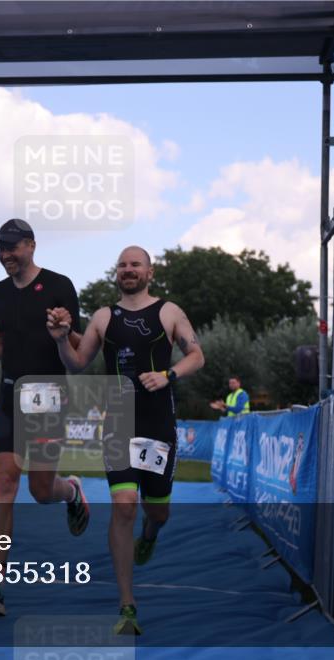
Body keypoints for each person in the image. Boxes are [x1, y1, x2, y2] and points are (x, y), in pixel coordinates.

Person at [47, 246, 205, 635]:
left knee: (156, 513)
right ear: (115, 272)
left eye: (136, 264)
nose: (128, 269)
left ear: (150, 271)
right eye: (122, 264)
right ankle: (127, 605)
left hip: (157, 426)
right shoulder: (103, 317)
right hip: (118, 422)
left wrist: (169, 375)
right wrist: (60, 338)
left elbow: (197, 355)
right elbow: (77, 363)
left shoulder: (169, 311)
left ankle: (150, 536)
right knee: (123, 505)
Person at [0, 218, 90, 618]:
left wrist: (63, 332)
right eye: (1, 248)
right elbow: (3, 341)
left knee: (41, 491)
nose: (6, 254)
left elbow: (80, 351)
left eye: (12, 246)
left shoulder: (60, 285)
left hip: (47, 396)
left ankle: (72, 491)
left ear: (31, 245)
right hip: (10, 395)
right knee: (5, 482)